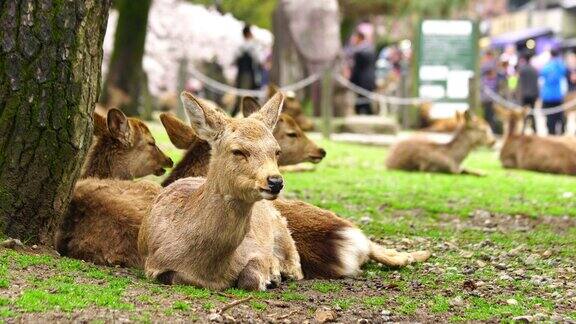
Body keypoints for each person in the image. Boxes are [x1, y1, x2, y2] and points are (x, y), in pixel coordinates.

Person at [231, 24, 262, 116]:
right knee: (248, 95)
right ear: (249, 33)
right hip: (249, 73)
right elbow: (258, 59)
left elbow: (234, 60)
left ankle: (238, 113)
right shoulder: (253, 45)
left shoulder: (239, 46)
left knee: (240, 95)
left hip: (240, 74)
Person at [540, 49, 567, 135]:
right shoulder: (561, 66)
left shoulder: (546, 67)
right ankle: (561, 133)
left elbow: (542, 77)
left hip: (547, 96)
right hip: (558, 95)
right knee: (560, 117)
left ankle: (551, 134)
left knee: (549, 118)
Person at [349, 31, 376, 115]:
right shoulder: (370, 49)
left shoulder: (360, 52)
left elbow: (357, 69)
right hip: (370, 78)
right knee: (366, 101)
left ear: (359, 38)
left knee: (362, 102)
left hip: (362, 80)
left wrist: (351, 80)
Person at [480, 50, 504, 134]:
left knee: (489, 116)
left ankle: (491, 132)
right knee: (488, 116)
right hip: (489, 96)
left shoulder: (489, 64)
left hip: (489, 97)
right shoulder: (495, 65)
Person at [517, 53, 539, 132]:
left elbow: (519, 83)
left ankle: (523, 130)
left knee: (524, 114)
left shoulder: (522, 70)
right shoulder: (534, 70)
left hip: (524, 95)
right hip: (532, 94)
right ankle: (534, 129)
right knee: (532, 113)